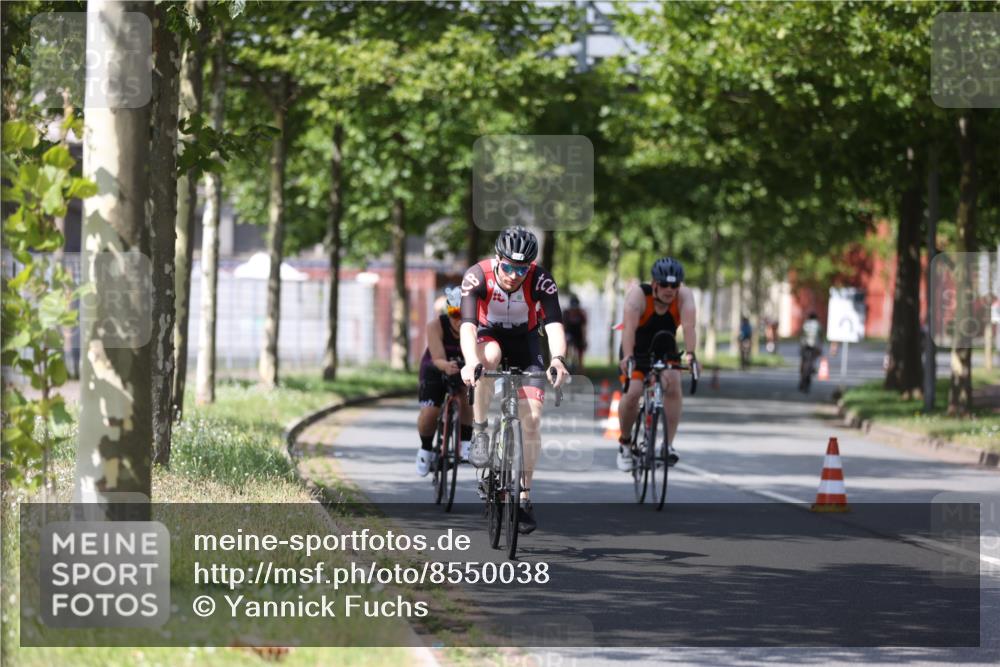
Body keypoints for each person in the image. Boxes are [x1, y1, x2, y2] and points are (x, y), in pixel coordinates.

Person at [459, 226, 570, 534]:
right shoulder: (477, 276)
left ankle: (523, 496)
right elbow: (467, 326)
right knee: (489, 357)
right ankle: (480, 430)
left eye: (521, 269)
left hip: (526, 342)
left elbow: (555, 325)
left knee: (532, 417)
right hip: (487, 336)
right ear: (498, 259)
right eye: (508, 266)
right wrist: (471, 362)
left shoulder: (541, 280)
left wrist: (558, 359)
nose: (514, 274)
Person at [617, 257, 697, 472]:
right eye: (664, 285)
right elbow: (628, 330)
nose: (670, 290)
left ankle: (667, 445)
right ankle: (625, 443)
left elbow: (689, 327)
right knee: (633, 392)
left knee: (673, 382)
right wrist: (627, 357)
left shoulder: (685, 296)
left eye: (674, 285)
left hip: (665, 346)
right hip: (636, 348)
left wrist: (690, 355)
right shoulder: (638, 296)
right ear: (654, 284)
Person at [415, 287, 473, 476]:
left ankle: (465, 443)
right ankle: (425, 449)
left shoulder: (475, 328)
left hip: (463, 368)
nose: (459, 320)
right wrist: (446, 366)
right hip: (436, 367)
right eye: (454, 314)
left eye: (464, 315)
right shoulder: (435, 326)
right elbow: (438, 357)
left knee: (467, 397)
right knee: (430, 413)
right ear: (448, 312)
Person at [798, 311, 823, 393]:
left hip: (805, 346)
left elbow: (801, 334)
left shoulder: (806, 324)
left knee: (803, 363)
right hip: (814, 347)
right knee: (811, 363)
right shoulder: (818, 325)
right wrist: (820, 348)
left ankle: (802, 381)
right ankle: (809, 377)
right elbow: (820, 336)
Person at [562, 295, 588, 371]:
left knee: (580, 353)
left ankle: (581, 371)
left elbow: (583, 328)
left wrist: (584, 339)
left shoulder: (581, 314)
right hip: (569, 334)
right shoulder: (566, 313)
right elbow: (563, 326)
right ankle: (564, 366)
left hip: (578, 335)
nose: (574, 310)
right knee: (565, 348)